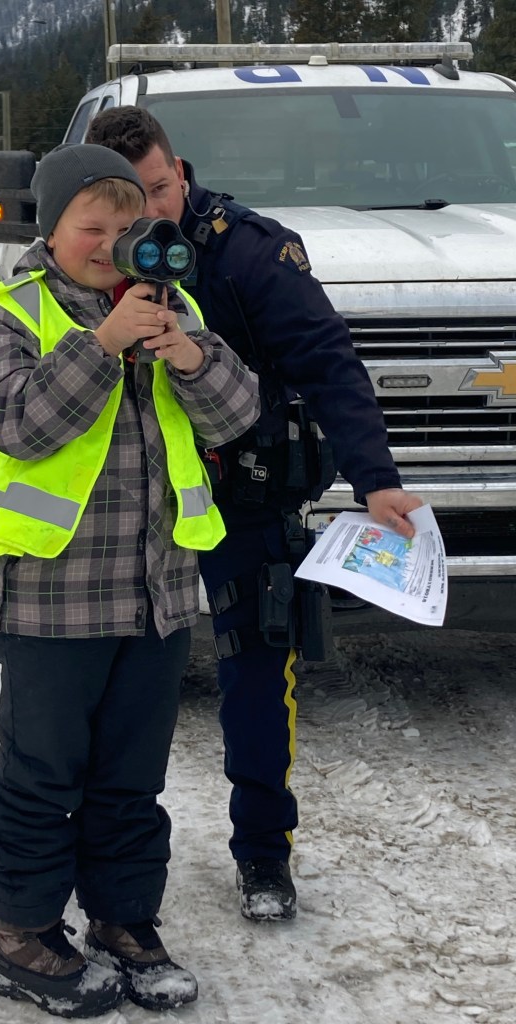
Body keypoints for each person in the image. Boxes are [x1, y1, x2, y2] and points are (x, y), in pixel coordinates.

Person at [82, 107, 423, 924]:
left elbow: (328, 361)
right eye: (126, 199)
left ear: (179, 171)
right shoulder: (82, 253)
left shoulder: (249, 250)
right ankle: (26, 835)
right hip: (126, 498)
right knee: (76, 680)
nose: (147, 214)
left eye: (157, 189)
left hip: (243, 489)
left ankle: (265, 854)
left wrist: (376, 478)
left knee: (257, 674)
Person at [0, 143, 261, 1018]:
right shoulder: (8, 311)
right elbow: (15, 422)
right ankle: (21, 935)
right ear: (51, 230)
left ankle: (124, 920)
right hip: (52, 600)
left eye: (127, 227)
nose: (111, 244)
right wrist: (102, 345)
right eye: (91, 227)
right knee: (41, 773)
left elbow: (238, 415)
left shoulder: (174, 305)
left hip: (157, 595)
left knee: (132, 776)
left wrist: (190, 359)